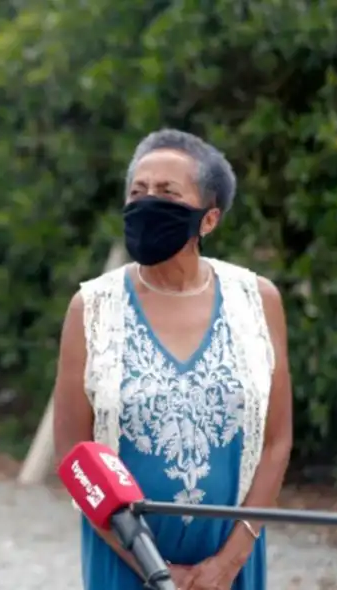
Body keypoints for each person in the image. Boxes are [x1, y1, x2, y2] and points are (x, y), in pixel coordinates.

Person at [52, 129, 293, 590]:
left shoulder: (258, 301)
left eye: (167, 193)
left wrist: (228, 562)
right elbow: (72, 454)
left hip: (232, 562)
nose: (147, 203)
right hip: (125, 560)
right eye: (137, 191)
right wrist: (151, 567)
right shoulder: (93, 307)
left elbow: (278, 440)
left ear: (209, 219)